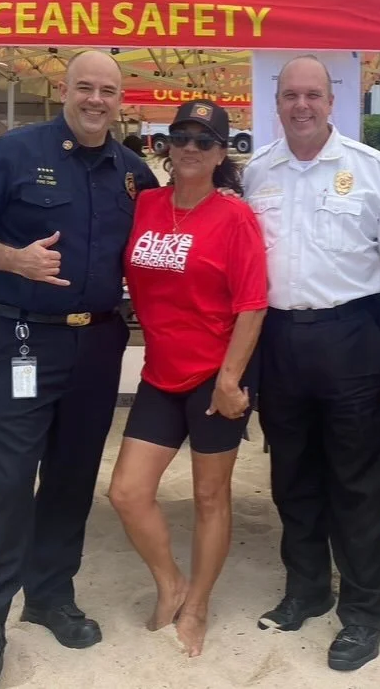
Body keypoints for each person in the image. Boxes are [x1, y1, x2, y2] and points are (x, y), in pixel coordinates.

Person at [0, 50, 159, 689]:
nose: (96, 100)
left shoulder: (133, 172)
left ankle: (52, 595)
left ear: (122, 100)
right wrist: (14, 259)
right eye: (85, 88)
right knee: (9, 480)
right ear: (65, 90)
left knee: (71, 476)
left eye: (108, 91)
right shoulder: (13, 152)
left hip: (98, 346)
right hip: (23, 340)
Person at [243, 55, 380, 672]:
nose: (302, 106)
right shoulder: (256, 173)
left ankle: (365, 609)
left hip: (353, 336)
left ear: (332, 101)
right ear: (278, 103)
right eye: (291, 95)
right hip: (278, 341)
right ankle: (306, 588)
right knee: (293, 477)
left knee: (357, 481)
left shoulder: (375, 170)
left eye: (313, 95)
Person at [109, 100, 268, 658]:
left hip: (214, 378)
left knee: (208, 497)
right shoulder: (146, 204)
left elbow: (252, 305)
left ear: (222, 153)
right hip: (160, 373)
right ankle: (170, 582)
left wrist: (230, 379)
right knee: (127, 493)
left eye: (205, 141)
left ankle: (197, 605)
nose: (192, 149)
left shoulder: (235, 217)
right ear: (166, 146)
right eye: (182, 138)